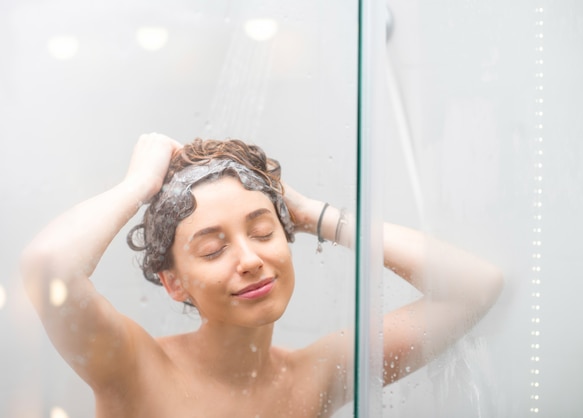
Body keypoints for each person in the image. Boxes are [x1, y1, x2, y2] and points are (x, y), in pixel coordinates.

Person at [20, 133, 503, 417]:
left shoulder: (314, 377)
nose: (249, 259)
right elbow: (48, 268)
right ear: (174, 283)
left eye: (263, 231)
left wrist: (314, 214)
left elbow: (474, 288)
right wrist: (138, 186)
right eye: (213, 249)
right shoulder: (132, 368)